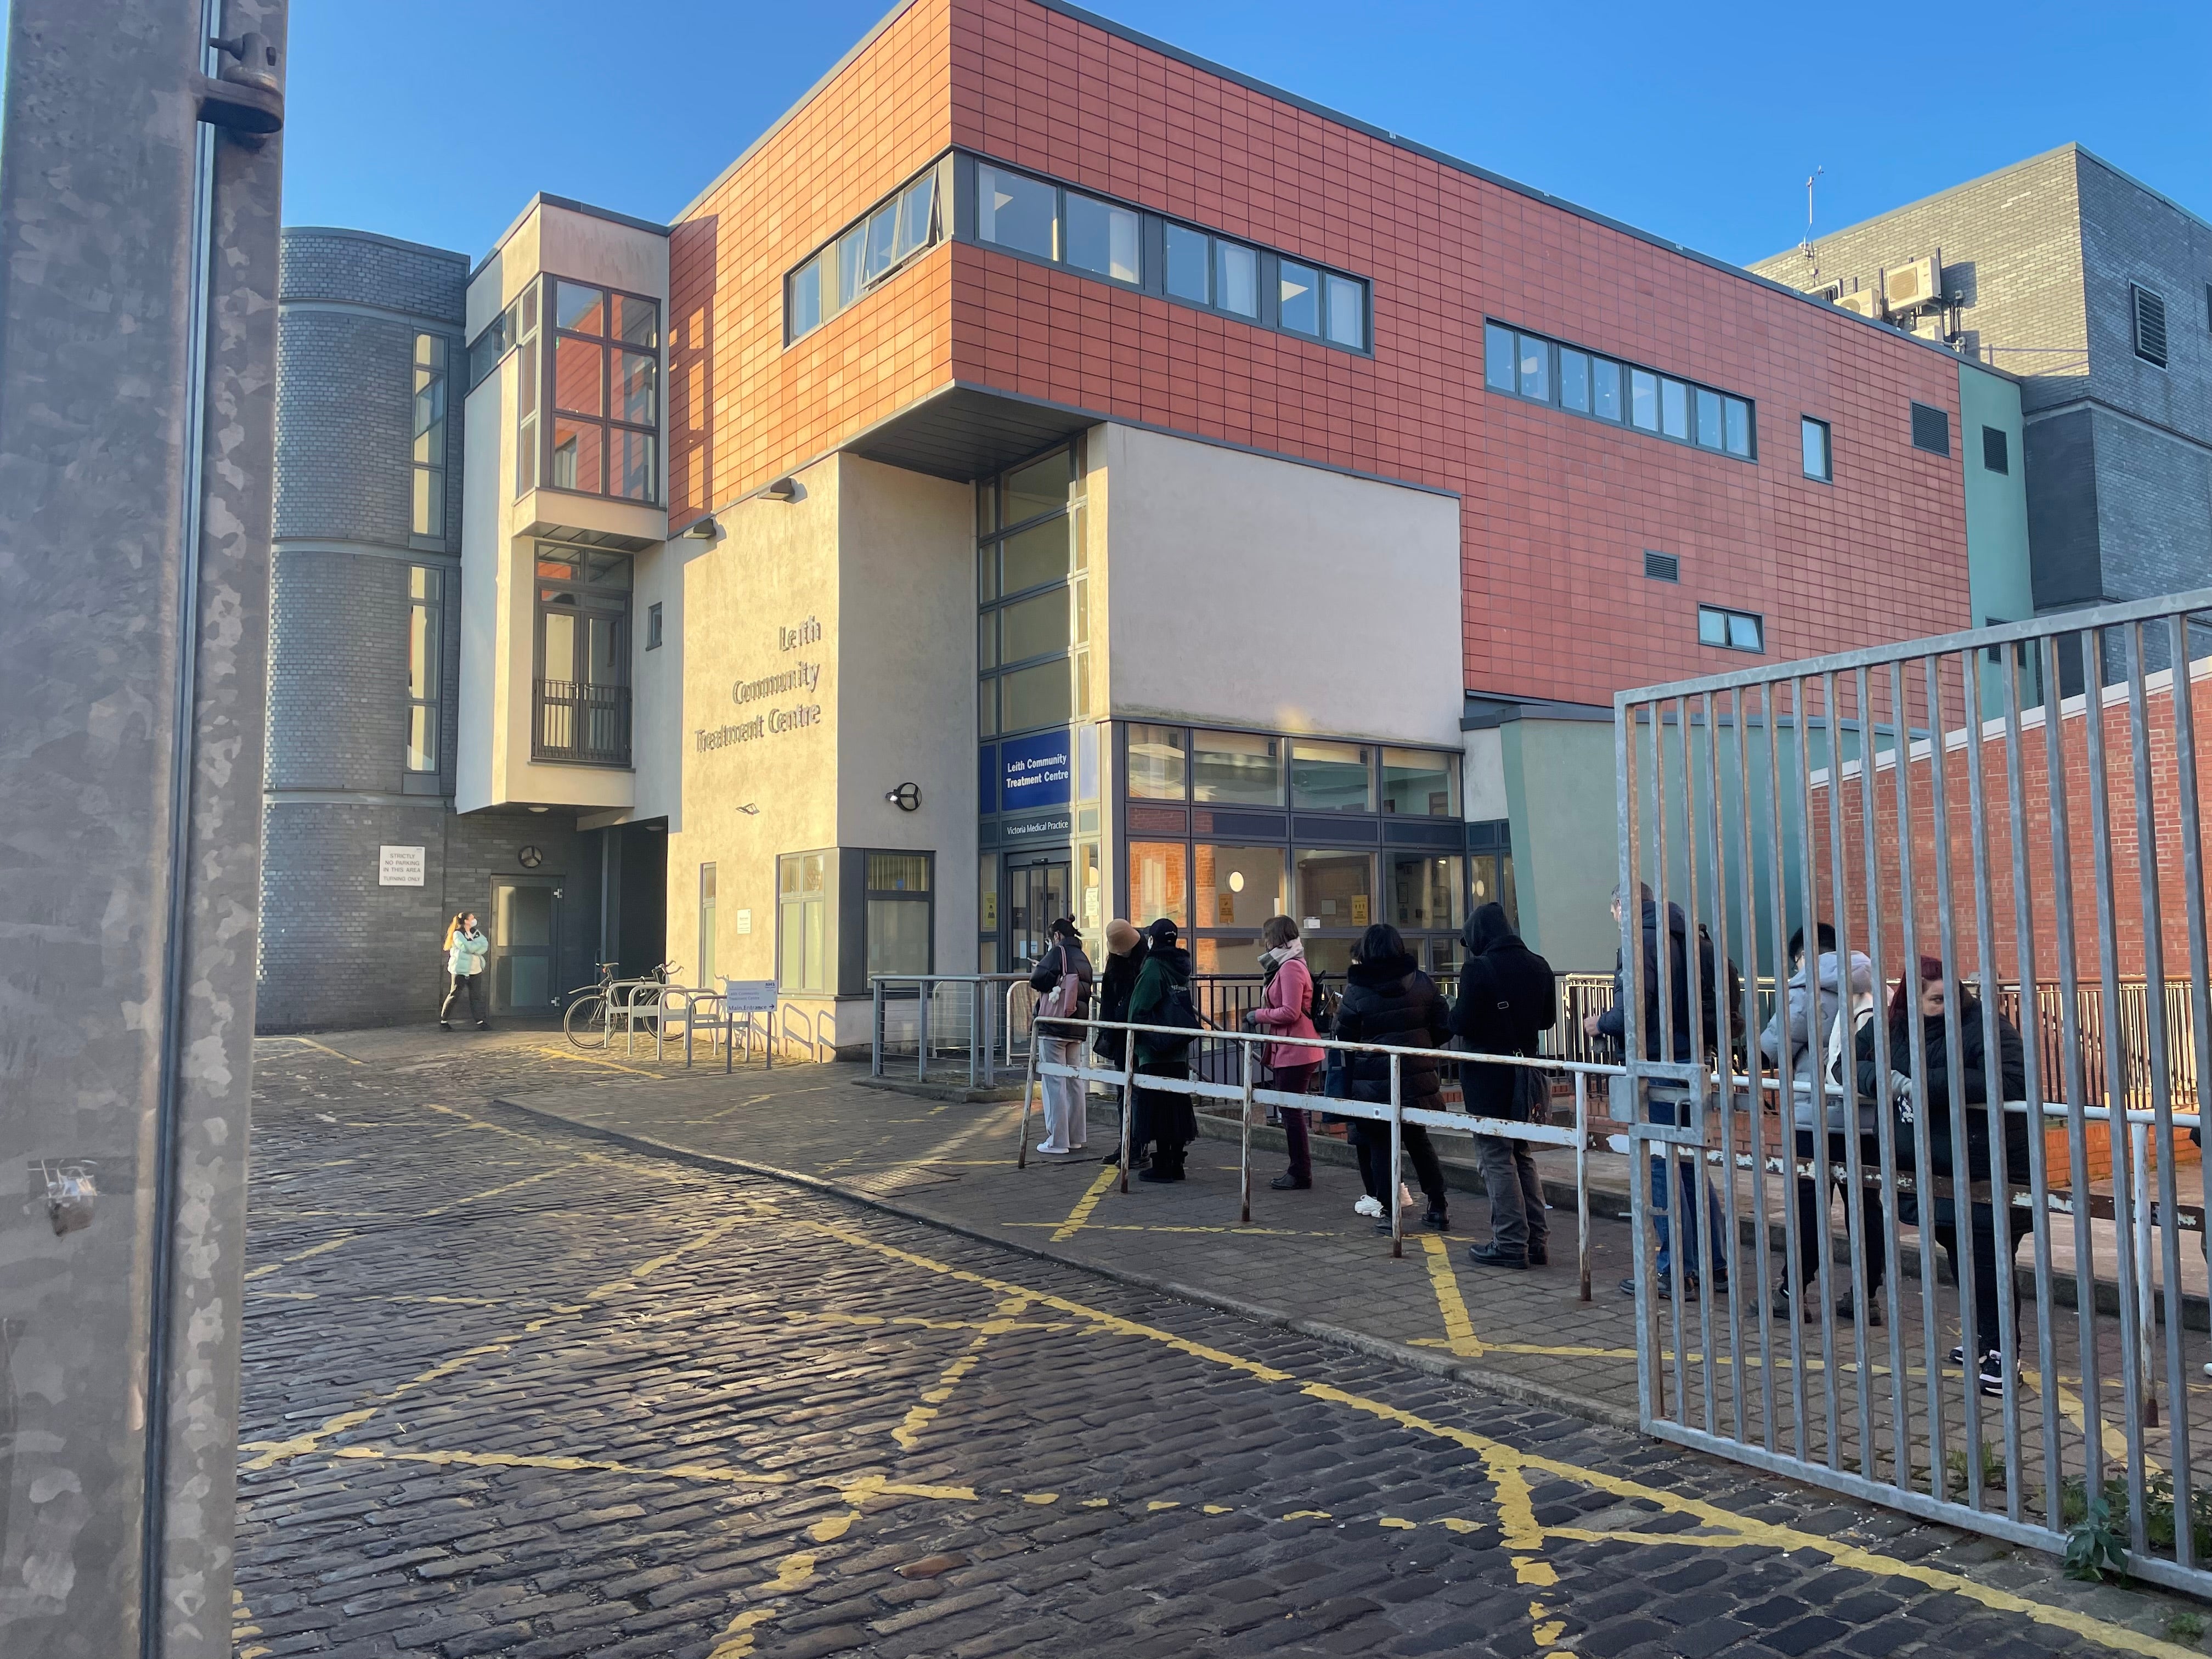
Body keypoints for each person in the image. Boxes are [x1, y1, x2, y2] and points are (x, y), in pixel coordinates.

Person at [1853, 957, 2032, 1397]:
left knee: (1990, 1261)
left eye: (1950, 997)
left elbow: (2010, 1082)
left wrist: (1923, 1083)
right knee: (1960, 1252)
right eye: (1934, 1000)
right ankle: (1981, 1340)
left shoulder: (1984, 1027)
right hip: (1934, 1168)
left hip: (1988, 1166)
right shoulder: (1892, 1027)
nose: (1945, 1006)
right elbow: (1845, 1065)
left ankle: (2003, 1355)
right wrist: (1887, 1079)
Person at [1588, 884, 1731, 1298]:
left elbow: (1636, 1003)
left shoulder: (1641, 940)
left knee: (1661, 1167)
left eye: (1614, 913)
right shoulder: (1693, 938)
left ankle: (1674, 1270)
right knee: (1688, 1163)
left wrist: (1602, 1023)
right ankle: (1712, 1264)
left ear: (1620, 907)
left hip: (1658, 1063)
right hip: (1694, 1058)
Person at [1759, 924, 1884, 1326]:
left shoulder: (1804, 990)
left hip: (1814, 1120)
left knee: (1809, 1206)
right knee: (1864, 1206)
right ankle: (1866, 1296)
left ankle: (1793, 1291)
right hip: (1865, 1119)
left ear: (1802, 956)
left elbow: (1774, 1048)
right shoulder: (1874, 989)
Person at [1453, 902, 1557, 1268]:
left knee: (1495, 1155)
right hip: (1525, 1071)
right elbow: (1546, 1020)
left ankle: (1511, 1242)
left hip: (1488, 1075)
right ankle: (1537, 1241)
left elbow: (1462, 1022)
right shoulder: (1539, 964)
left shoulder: (1478, 968)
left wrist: (1448, 1010)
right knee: (1521, 1152)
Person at [1334, 923, 1452, 1233]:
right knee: (1418, 1140)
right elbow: (1444, 1025)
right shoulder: (1422, 983)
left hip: (1374, 1083)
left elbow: (1344, 1036)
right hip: (1417, 1078)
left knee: (1380, 1145)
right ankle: (1438, 1206)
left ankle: (1390, 1213)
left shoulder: (1357, 990)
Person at [1249, 916, 1325, 1190]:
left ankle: (1300, 1172)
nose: (1265, 943)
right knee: (1290, 1111)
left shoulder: (1291, 967)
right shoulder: (1289, 963)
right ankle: (1299, 1170)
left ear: (1277, 938)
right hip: (1293, 1048)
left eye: (1267, 937)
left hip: (1297, 1050)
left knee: (1291, 1113)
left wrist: (1258, 1015)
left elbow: (1291, 1011)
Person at [1125, 918, 1197, 1183]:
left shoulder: (1154, 967)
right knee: (1177, 1108)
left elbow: (1138, 1010)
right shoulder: (1180, 967)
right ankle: (1176, 1163)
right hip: (1177, 1050)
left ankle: (1163, 1165)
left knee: (1157, 1109)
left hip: (1155, 1052)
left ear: (1153, 940)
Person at [1029, 916, 1095, 1156]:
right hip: (1077, 1025)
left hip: (1055, 1025)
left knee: (1054, 1083)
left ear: (1056, 936)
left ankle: (1058, 1140)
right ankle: (1077, 1137)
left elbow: (1038, 980)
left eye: (1050, 939)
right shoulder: (1083, 956)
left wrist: (1039, 968)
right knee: (1074, 1081)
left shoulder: (1058, 952)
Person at [1095, 919, 1148, 1168]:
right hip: (1123, 1037)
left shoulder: (1137, 965)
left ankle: (1135, 1145)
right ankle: (1128, 1143)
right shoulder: (1134, 963)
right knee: (1124, 1094)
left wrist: (1109, 1026)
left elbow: (1110, 1002)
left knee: (1134, 1094)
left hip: (1134, 1037)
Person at [440, 911, 489, 1031]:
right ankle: (444, 1021)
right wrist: (476, 948)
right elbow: (466, 948)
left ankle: (480, 1021)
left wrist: (474, 948)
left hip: (476, 970)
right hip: (461, 971)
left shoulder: (475, 932)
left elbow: (485, 945)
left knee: (476, 996)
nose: (474, 920)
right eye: (472, 918)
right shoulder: (458, 934)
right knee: (455, 995)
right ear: (466, 921)